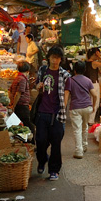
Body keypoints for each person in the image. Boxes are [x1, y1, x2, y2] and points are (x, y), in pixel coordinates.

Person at [35, 46, 71, 181]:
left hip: (57, 114)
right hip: (42, 112)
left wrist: (63, 112)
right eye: (53, 57)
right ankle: (42, 159)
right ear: (48, 57)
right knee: (40, 140)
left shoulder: (65, 76)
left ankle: (54, 170)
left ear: (61, 60)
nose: (55, 60)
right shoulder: (43, 70)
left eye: (58, 58)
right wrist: (38, 86)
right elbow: (37, 84)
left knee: (56, 143)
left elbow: (66, 96)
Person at [66, 61, 96, 159]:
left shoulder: (70, 80)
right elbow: (94, 95)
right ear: (84, 70)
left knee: (77, 129)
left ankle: (79, 151)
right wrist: (94, 106)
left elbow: (66, 96)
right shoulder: (88, 80)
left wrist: (63, 107)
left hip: (75, 108)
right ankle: (85, 145)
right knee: (85, 126)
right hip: (87, 107)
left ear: (74, 70)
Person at [9, 61, 35, 140]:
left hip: (19, 106)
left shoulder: (17, 78)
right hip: (22, 106)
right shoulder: (22, 79)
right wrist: (14, 105)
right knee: (29, 126)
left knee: (22, 125)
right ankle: (30, 144)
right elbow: (18, 93)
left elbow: (10, 91)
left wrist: (12, 102)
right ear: (27, 71)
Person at [84, 47, 101, 127]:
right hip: (94, 84)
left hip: (87, 84)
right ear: (95, 54)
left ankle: (87, 119)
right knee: (95, 102)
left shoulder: (86, 62)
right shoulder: (94, 63)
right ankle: (90, 120)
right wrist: (100, 57)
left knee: (89, 102)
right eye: (98, 53)